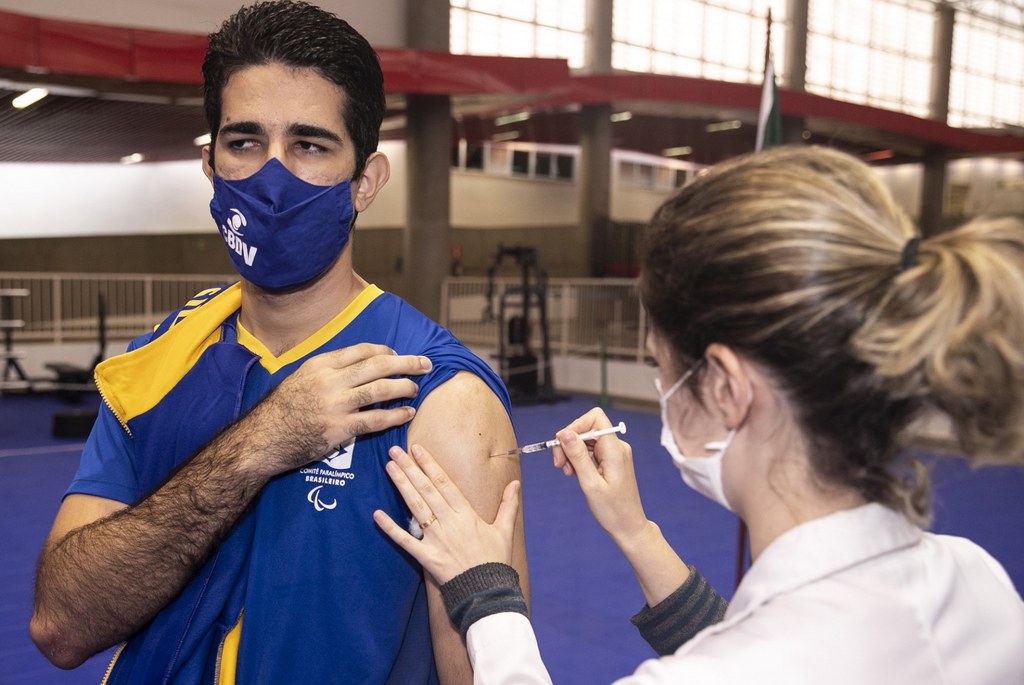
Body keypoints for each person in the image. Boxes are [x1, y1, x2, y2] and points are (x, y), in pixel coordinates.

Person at [374, 145, 1024, 684]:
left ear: (726, 387)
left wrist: (487, 594)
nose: (661, 386)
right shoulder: (979, 582)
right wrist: (636, 531)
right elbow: (766, 644)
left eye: (662, 366)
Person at [29, 2, 527, 683]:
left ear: (366, 183)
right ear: (210, 165)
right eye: (244, 142)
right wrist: (261, 442)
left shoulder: (442, 401)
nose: (271, 176)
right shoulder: (159, 363)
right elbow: (61, 623)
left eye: (310, 146)